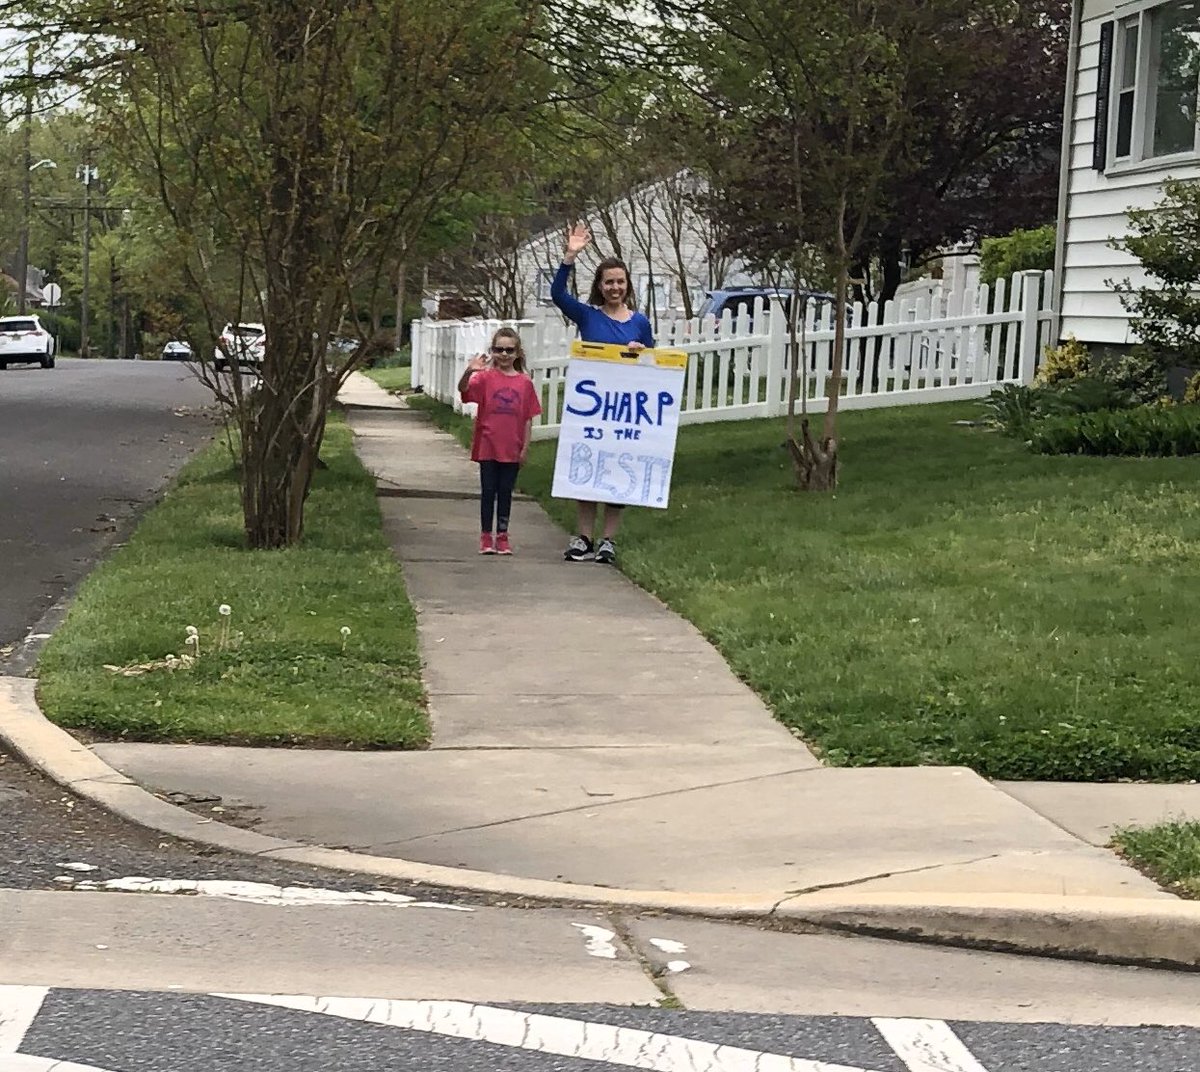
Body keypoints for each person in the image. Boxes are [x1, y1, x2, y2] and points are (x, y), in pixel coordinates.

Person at [551, 222, 655, 565]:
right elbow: (557, 296)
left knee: (616, 471)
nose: (614, 287)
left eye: (620, 282)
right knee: (587, 468)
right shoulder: (587, 315)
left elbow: (653, 368)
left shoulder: (639, 322)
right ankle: (583, 537)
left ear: (627, 286)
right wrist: (570, 256)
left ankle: (608, 539)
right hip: (592, 408)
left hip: (623, 411)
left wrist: (642, 352)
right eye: (608, 281)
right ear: (600, 285)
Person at [457, 326, 542, 555]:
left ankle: (502, 536)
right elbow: (463, 391)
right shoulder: (484, 378)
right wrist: (469, 371)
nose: (504, 355)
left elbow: (528, 418)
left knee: (506, 492)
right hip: (488, 445)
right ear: (492, 351)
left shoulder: (525, 383)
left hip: (512, 447)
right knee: (488, 491)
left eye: (509, 350)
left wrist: (525, 447)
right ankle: (486, 537)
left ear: (517, 353)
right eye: (499, 349)